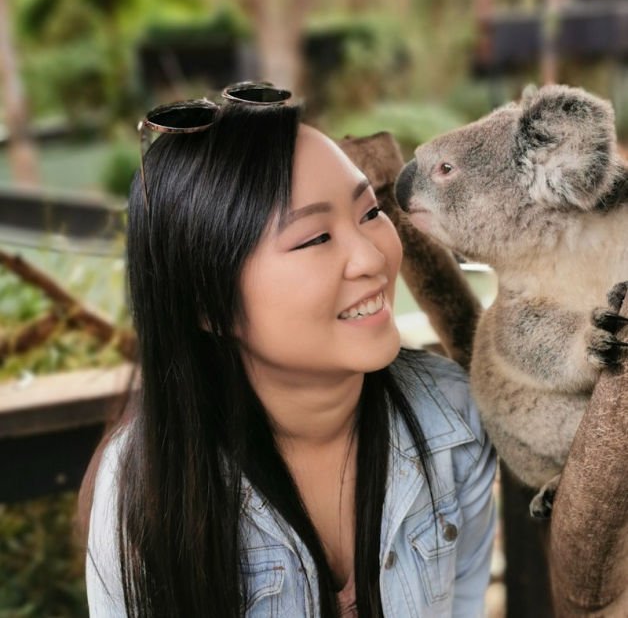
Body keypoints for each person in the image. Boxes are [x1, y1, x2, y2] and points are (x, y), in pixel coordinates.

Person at [82, 82, 496, 618]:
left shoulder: (455, 420)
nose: (371, 259)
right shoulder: (144, 492)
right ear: (206, 304)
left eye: (370, 213)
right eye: (315, 238)